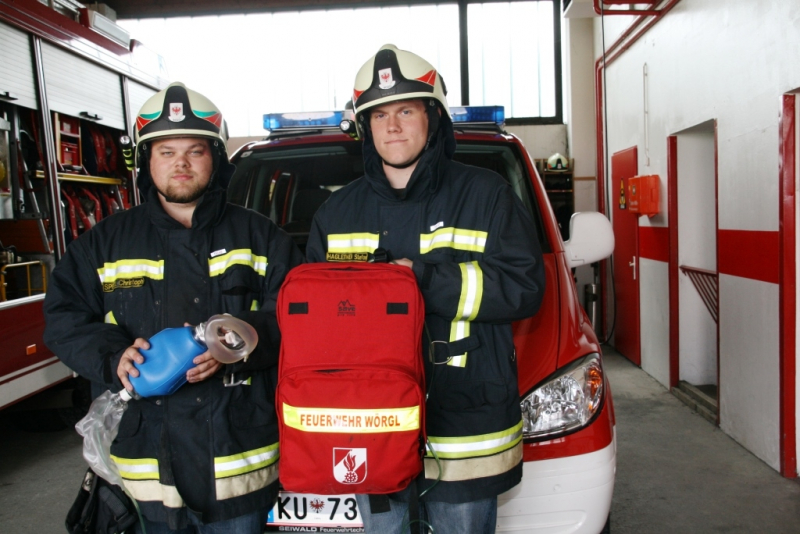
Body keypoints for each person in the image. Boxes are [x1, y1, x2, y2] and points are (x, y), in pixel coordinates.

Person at [306, 45, 546, 534]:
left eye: (406, 110)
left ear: (433, 118)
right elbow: (316, 325)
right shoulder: (335, 216)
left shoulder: (487, 196)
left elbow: (523, 289)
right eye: (379, 115)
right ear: (364, 128)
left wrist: (419, 279)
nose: (392, 126)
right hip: (370, 418)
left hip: (465, 422)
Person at [44, 82, 303, 533]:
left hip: (237, 459)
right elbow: (65, 317)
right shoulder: (104, 243)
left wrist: (235, 345)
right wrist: (113, 356)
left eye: (195, 151)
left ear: (217, 160)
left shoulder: (262, 237)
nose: (180, 163)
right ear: (147, 161)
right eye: (166, 151)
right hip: (148, 466)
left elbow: (299, 315)